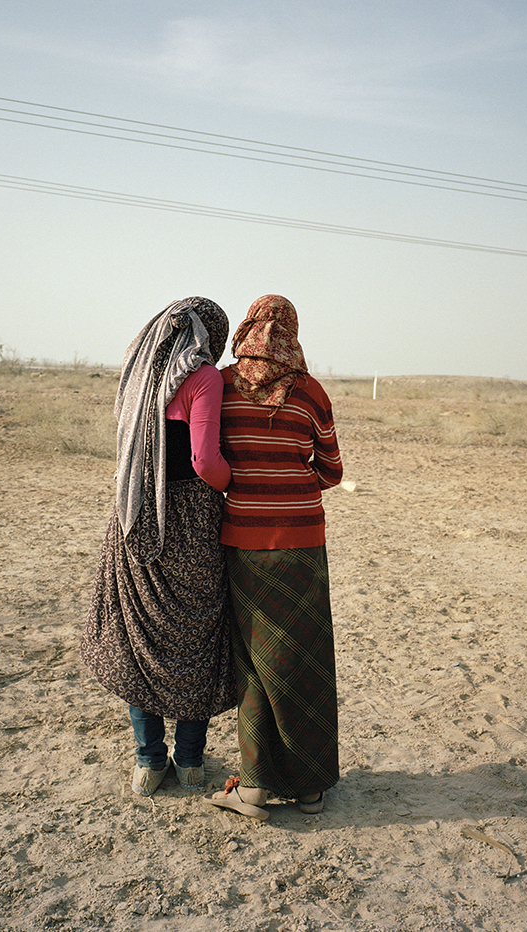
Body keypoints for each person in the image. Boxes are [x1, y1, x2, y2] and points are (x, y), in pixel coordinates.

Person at [79, 297, 236, 797]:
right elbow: (204, 460)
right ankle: (189, 763)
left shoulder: (140, 374)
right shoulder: (205, 378)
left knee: (137, 639)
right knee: (194, 638)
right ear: (207, 334)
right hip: (188, 523)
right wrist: (238, 483)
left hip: (133, 517)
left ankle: (148, 762)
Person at [204, 294, 343, 821]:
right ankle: (309, 790)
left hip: (244, 542)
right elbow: (331, 470)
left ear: (246, 329)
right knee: (305, 658)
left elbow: (206, 455)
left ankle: (256, 789)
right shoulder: (311, 393)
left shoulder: (221, 386)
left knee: (255, 660)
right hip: (303, 543)